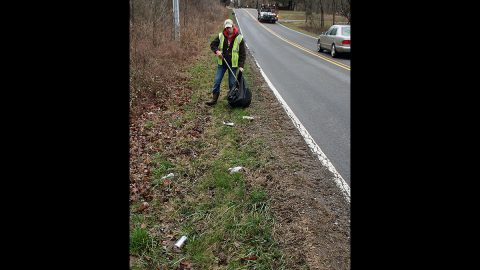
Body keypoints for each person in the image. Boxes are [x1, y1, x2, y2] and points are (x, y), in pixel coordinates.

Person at [206, 19, 246, 106]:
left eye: (230, 27)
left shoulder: (239, 38)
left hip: (233, 65)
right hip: (222, 64)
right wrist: (217, 51)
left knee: (232, 83)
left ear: (233, 26)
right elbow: (213, 45)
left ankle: (231, 100)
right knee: (217, 81)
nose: (228, 29)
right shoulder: (221, 36)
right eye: (227, 28)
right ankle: (214, 99)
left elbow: (242, 54)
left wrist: (241, 66)